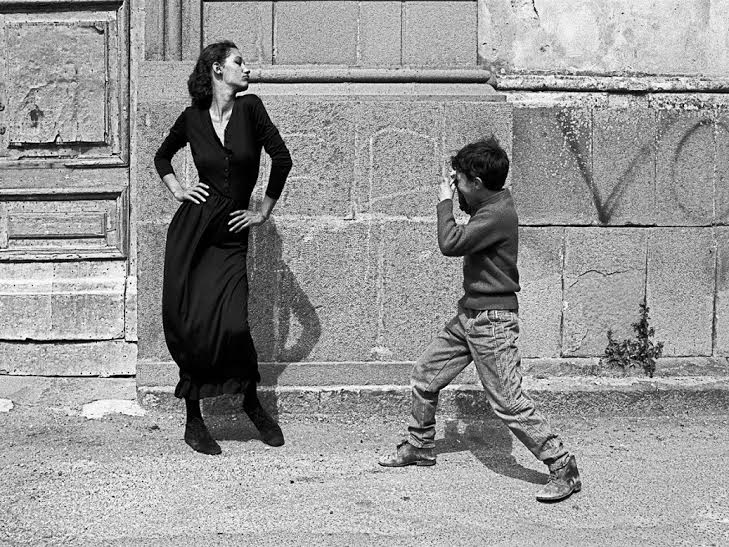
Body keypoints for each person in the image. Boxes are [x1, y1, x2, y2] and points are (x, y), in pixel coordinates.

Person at [378, 136, 581, 502]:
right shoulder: (490, 204)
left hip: (492, 322)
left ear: (477, 183)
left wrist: (443, 202)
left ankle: (562, 465)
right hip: (469, 315)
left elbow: (450, 243)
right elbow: (467, 224)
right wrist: (457, 194)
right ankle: (420, 445)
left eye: (460, 182)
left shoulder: (497, 213)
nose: (456, 188)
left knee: (508, 402)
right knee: (425, 376)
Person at [154, 41, 292, 455]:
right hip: (192, 234)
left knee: (233, 323)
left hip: (230, 234)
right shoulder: (192, 117)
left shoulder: (251, 109)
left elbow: (281, 159)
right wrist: (178, 189)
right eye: (239, 62)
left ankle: (250, 400)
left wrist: (262, 211)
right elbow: (162, 157)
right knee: (192, 325)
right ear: (217, 69)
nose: (248, 69)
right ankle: (193, 420)